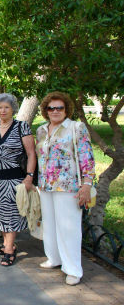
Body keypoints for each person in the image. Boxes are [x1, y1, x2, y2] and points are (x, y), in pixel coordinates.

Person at [36, 92, 95, 286]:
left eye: (59, 108)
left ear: (66, 109)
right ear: (45, 110)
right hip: (45, 185)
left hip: (68, 186)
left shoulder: (76, 128)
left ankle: (73, 269)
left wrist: (87, 184)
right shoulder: (42, 130)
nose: (55, 111)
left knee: (69, 228)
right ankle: (54, 258)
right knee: (50, 225)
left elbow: (86, 157)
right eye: (51, 108)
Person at [0, 93, 35, 266]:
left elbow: (31, 153)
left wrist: (29, 176)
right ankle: (8, 245)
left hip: (14, 180)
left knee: (11, 216)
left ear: (13, 108)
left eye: (6, 107)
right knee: (0, 215)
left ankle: (8, 250)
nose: (3, 110)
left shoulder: (22, 126)